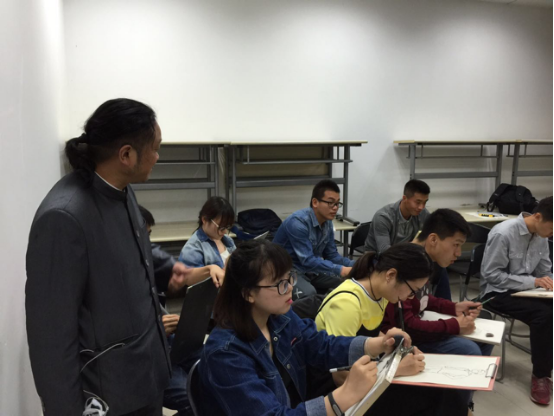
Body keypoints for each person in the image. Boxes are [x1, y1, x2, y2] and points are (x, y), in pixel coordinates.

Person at [26, 99, 187, 415]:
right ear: (126, 155)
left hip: (147, 377)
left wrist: (170, 269)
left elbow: (129, 247)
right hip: (109, 395)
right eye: (155, 148)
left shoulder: (121, 188)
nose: (157, 157)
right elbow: (51, 339)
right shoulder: (63, 218)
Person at [198, 240, 415, 416]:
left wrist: (378, 344)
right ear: (248, 293)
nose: (290, 288)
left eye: (290, 278)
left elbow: (321, 344)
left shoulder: (279, 318)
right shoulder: (226, 353)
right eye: (280, 284)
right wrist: (344, 395)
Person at [316, 244, 469, 416]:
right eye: (412, 291)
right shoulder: (347, 304)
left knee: (445, 393)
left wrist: (392, 343)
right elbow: (341, 376)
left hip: (364, 377)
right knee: (439, 398)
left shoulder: (380, 295)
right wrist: (396, 370)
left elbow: (367, 332)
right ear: (390, 275)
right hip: (335, 393)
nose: (408, 298)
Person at [381, 209, 494, 411]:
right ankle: (454, 406)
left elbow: (423, 298)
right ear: (433, 239)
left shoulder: (425, 259)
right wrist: (454, 326)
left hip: (415, 329)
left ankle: (460, 401)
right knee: (469, 350)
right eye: (456, 245)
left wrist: (454, 307)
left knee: (484, 342)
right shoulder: (407, 263)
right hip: (403, 339)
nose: (458, 253)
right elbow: (408, 326)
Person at [139, 205, 224, 416]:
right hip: (147, 356)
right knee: (194, 398)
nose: (146, 242)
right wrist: (155, 328)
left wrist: (210, 269)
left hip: (170, 343)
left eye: (148, 235)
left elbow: (183, 275)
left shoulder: (146, 256)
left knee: (222, 371)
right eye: (143, 235)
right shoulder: (112, 275)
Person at [481, 196, 554, 406]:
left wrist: (548, 283)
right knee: (544, 315)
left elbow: (545, 271)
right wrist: (534, 282)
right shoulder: (503, 233)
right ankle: (541, 376)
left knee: (548, 312)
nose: (552, 234)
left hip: (528, 290)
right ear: (537, 217)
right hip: (497, 292)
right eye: (552, 228)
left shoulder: (541, 235)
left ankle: (545, 361)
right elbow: (492, 275)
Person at [273, 180, 356, 300]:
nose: (335, 208)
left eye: (338, 203)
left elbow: (332, 256)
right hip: (287, 271)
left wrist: (359, 264)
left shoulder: (327, 223)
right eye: (330, 203)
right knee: (309, 295)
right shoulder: (297, 223)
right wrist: (341, 270)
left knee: (347, 284)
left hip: (310, 271)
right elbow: (307, 260)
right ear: (315, 202)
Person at [365, 179, 431, 255]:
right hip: (377, 257)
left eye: (425, 202)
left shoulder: (423, 213)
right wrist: (412, 246)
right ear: (404, 198)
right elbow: (384, 252)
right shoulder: (383, 217)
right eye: (418, 202)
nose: (421, 207)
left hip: (407, 255)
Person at [179, 196, 236, 271]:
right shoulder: (192, 249)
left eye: (227, 227)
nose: (225, 231)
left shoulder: (227, 240)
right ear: (204, 219)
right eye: (221, 227)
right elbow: (191, 277)